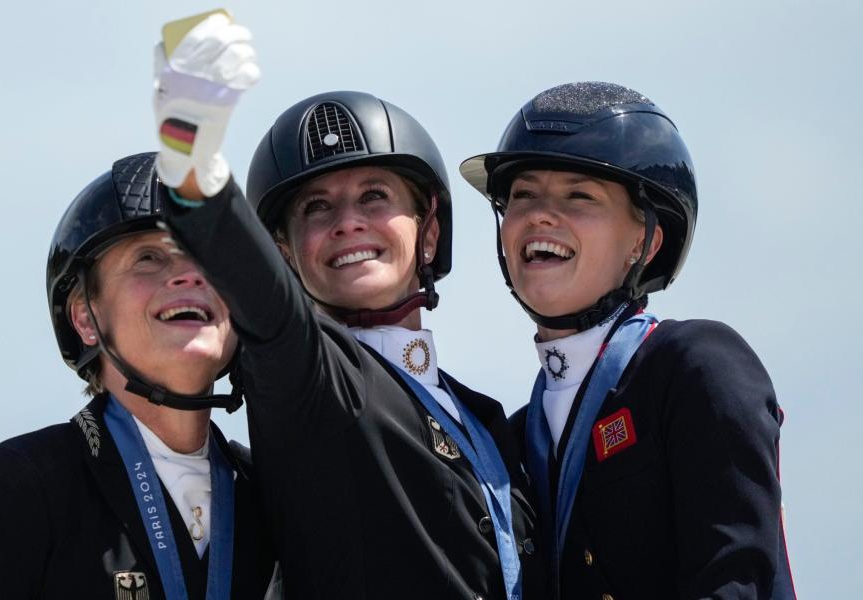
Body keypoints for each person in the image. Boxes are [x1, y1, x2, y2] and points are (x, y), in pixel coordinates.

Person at [151, 17, 544, 600]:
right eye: (316, 208)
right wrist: (192, 160)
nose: (348, 222)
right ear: (284, 252)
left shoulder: (486, 422)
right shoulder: (310, 379)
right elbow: (268, 302)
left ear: (429, 230)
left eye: (375, 196)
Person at [459, 81, 796, 599]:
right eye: (523, 195)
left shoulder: (696, 365)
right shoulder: (515, 438)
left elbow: (733, 580)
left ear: (644, 240)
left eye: (579, 195)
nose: (540, 215)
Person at [0, 151, 276, 599]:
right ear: (85, 317)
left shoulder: (274, 495)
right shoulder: (13, 488)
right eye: (149, 258)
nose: (188, 274)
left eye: (207, 256)